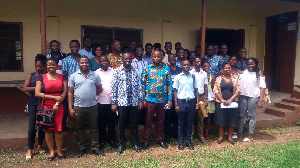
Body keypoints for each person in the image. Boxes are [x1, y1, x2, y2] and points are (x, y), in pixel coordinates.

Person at [68, 56, 104, 158]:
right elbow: (70, 92)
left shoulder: (95, 75)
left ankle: (95, 147)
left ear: (89, 63)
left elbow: (99, 89)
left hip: (92, 106)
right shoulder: (73, 76)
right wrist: (70, 107)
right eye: (82, 63)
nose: (84, 64)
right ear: (79, 64)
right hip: (78, 107)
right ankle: (81, 148)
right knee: (79, 128)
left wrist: (91, 96)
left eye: (86, 63)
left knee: (94, 128)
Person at [35, 57, 68, 161]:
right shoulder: (41, 77)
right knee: (48, 130)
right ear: (46, 66)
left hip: (59, 105)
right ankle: (51, 151)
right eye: (49, 65)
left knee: (59, 130)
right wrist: (53, 97)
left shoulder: (63, 76)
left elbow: (64, 92)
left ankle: (59, 151)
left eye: (53, 64)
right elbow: (37, 93)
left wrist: (57, 103)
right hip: (45, 106)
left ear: (57, 66)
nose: (51, 67)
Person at [111, 53, 144, 154]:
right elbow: (114, 87)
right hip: (122, 103)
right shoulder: (117, 71)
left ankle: (135, 143)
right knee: (121, 125)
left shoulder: (136, 71)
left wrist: (140, 100)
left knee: (134, 124)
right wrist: (113, 102)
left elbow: (139, 87)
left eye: (129, 58)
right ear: (122, 59)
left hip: (133, 102)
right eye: (126, 59)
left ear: (131, 59)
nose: (128, 60)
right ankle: (121, 144)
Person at [141, 50, 173, 150]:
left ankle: (161, 140)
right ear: (151, 57)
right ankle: (146, 140)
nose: (156, 58)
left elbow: (169, 85)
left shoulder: (166, 69)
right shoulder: (147, 68)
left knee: (161, 121)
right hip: (149, 99)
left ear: (162, 57)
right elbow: (143, 84)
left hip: (162, 100)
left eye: (158, 57)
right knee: (148, 121)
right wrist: (143, 99)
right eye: (154, 57)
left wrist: (170, 99)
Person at [23, 54, 47, 160]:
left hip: (43, 102)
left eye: (40, 66)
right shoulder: (31, 75)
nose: (38, 68)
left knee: (42, 125)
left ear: (44, 66)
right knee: (32, 126)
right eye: (36, 66)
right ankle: (29, 148)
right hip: (33, 102)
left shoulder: (46, 76)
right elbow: (25, 88)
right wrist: (37, 88)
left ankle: (40, 145)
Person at [173, 60, 200, 150]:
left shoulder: (193, 76)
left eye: (188, 65)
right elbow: (175, 91)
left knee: (189, 123)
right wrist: (176, 104)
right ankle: (181, 143)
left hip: (191, 102)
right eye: (184, 65)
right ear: (181, 66)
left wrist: (197, 103)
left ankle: (188, 142)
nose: (186, 66)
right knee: (180, 124)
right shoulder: (178, 77)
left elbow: (196, 90)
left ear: (190, 66)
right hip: (181, 102)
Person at [238, 57, 266, 142]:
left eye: (252, 64)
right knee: (241, 115)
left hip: (253, 97)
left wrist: (260, 100)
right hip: (243, 97)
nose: (250, 65)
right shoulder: (243, 73)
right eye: (248, 64)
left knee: (251, 116)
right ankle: (240, 133)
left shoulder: (259, 74)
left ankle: (250, 135)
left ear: (256, 64)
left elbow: (262, 88)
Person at [213, 63, 240, 145]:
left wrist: (231, 100)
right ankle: (221, 137)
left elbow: (238, 90)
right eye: (225, 68)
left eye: (229, 68)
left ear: (231, 69)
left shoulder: (235, 78)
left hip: (232, 102)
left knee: (232, 119)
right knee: (221, 119)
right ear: (223, 69)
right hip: (221, 102)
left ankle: (230, 137)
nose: (227, 69)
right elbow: (215, 90)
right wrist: (222, 100)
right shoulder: (218, 79)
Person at [95, 55, 116, 149]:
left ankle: (111, 140)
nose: (104, 62)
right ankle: (102, 140)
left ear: (108, 61)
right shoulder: (96, 73)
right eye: (102, 61)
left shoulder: (114, 72)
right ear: (99, 62)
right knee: (101, 123)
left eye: (105, 61)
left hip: (112, 101)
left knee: (112, 122)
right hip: (100, 101)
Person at [164, 53, 182, 142]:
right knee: (167, 116)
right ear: (168, 60)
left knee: (177, 116)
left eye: (173, 57)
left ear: (176, 58)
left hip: (179, 97)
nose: (172, 59)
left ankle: (176, 133)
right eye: (170, 58)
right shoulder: (166, 70)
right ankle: (167, 135)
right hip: (168, 97)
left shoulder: (180, 69)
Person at [191, 57, 208, 143]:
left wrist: (206, 98)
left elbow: (205, 87)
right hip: (192, 97)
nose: (198, 63)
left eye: (199, 62)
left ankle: (200, 135)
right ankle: (190, 135)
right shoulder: (190, 73)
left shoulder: (204, 73)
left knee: (200, 117)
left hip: (201, 97)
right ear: (194, 63)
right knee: (191, 117)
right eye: (196, 61)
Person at [201, 60, 216, 140]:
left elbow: (214, 87)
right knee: (202, 115)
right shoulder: (200, 75)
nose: (206, 68)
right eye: (204, 66)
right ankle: (200, 132)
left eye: (207, 66)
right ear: (202, 67)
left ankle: (206, 132)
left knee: (208, 117)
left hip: (210, 96)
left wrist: (215, 96)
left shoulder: (212, 76)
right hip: (202, 95)